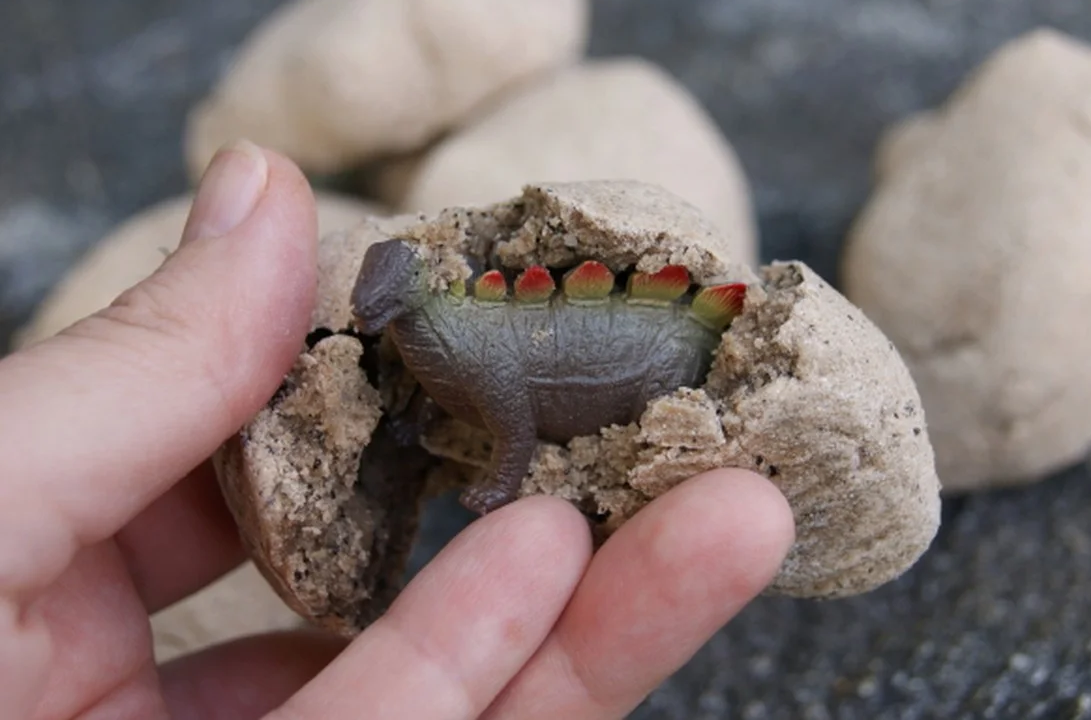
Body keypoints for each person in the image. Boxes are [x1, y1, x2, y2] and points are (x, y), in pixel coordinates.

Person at [0, 142, 795, 719]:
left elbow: (512, 417)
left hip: (641, 357)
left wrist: (498, 481)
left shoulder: (460, 337)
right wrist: (413, 418)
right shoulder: (425, 341)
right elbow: (438, 384)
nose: (370, 316)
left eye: (383, 306)